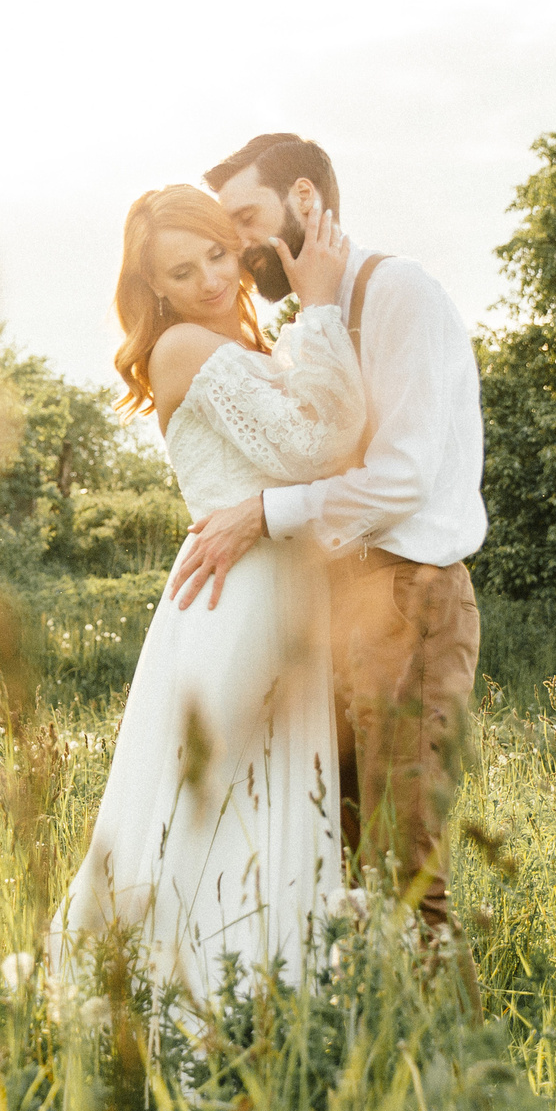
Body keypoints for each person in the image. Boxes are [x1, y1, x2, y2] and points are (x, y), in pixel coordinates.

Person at [172, 133, 487, 1004]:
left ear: (305, 200)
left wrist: (263, 513)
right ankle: (366, 1055)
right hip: (335, 610)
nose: (237, 246)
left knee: (406, 867)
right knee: (341, 862)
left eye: (246, 218)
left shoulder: (399, 294)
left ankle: (455, 1064)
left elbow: (403, 477)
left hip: (411, 597)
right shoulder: (307, 324)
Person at [51, 184, 368, 1008]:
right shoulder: (185, 346)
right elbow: (320, 445)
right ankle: (169, 1007)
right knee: (214, 806)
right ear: (155, 288)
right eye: (182, 272)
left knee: (264, 805)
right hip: (239, 596)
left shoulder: (246, 348)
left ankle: (257, 1001)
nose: (210, 280)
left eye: (218, 255)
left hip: (278, 589)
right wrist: (321, 305)